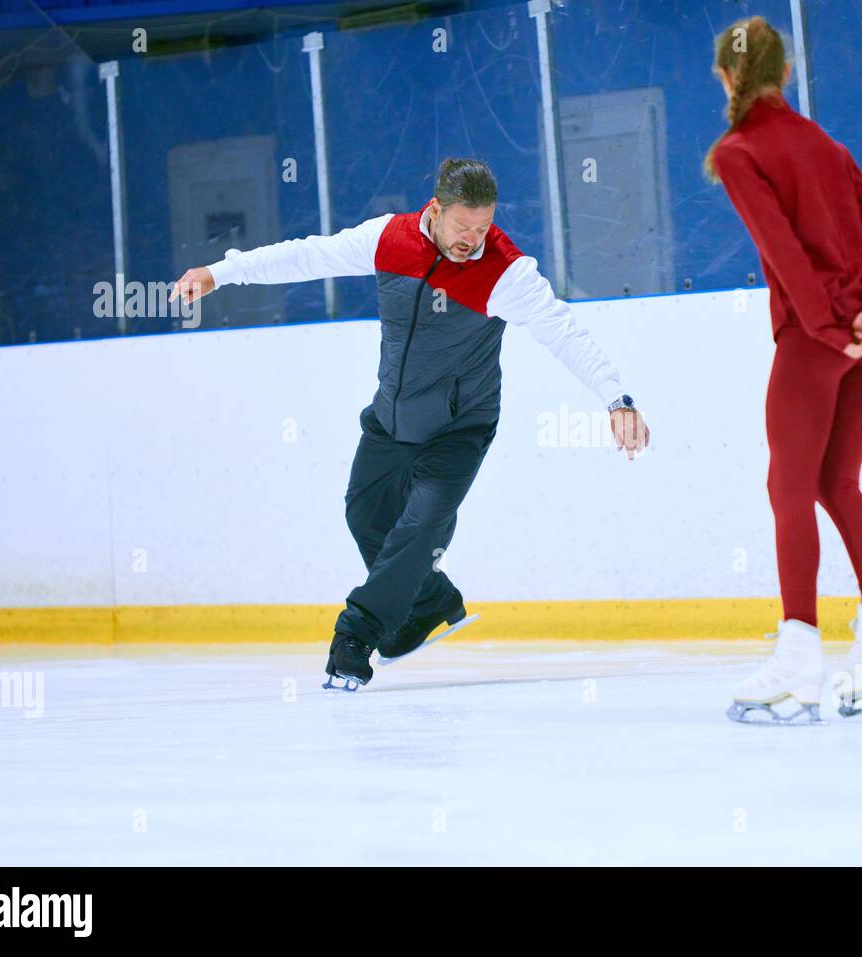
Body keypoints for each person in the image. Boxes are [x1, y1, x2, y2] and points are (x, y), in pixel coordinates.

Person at [170, 158, 649, 689]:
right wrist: (222, 272)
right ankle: (430, 601)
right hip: (392, 418)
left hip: (459, 428)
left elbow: (563, 330)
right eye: (463, 227)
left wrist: (617, 399)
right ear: (435, 210)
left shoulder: (506, 272)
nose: (473, 240)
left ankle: (356, 636)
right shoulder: (388, 239)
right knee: (364, 515)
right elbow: (310, 254)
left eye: (483, 228)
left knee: (418, 528)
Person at [705, 17, 862, 723]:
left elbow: (782, 248)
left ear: (726, 77)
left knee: (788, 487)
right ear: (784, 73)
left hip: (817, 340)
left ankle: (798, 659)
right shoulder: (828, 145)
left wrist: (825, 328)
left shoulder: (738, 153)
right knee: (836, 482)